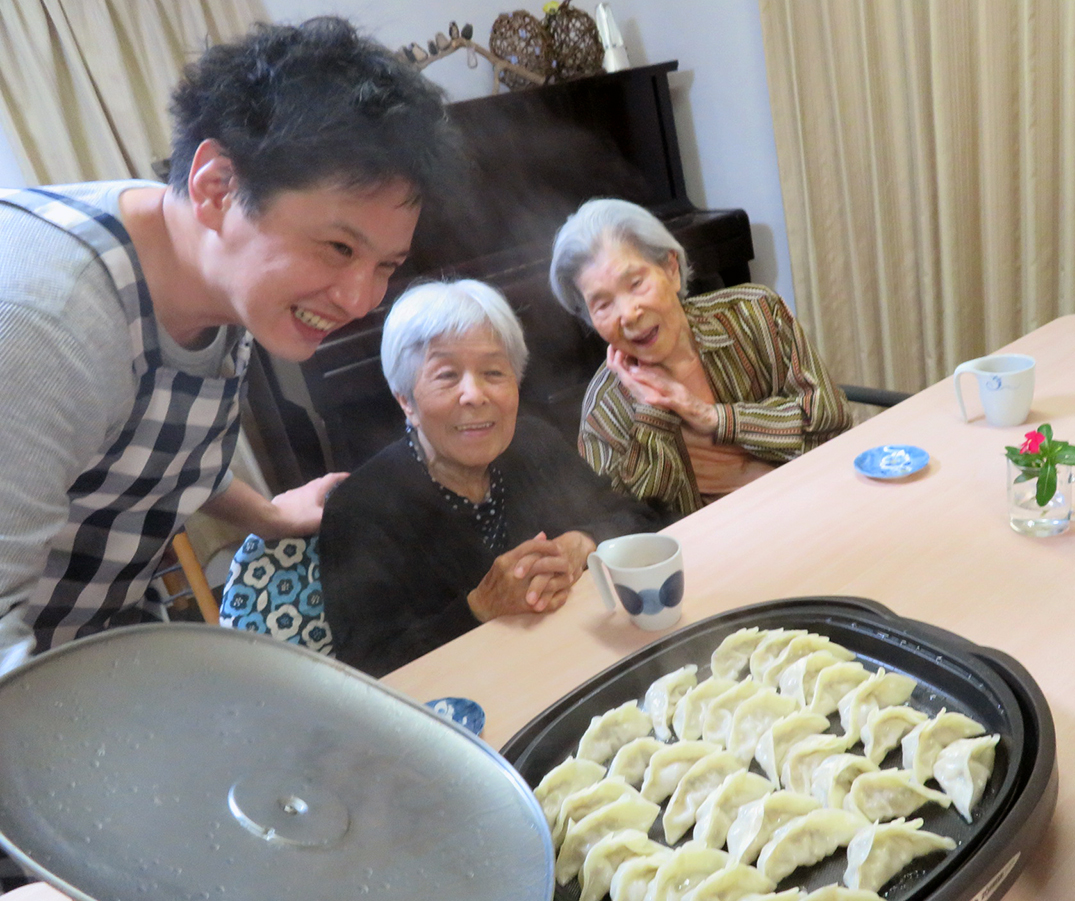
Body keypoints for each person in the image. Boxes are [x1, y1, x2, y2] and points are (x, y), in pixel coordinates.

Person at [0, 17, 458, 675]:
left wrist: (266, 514)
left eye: (386, 264)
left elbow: (157, 443)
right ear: (217, 187)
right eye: (338, 247)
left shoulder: (213, 278)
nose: (362, 299)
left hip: (99, 648)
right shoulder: (47, 327)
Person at [319, 280, 664, 677]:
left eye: (494, 372)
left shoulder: (534, 444)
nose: (475, 394)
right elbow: (367, 668)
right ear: (406, 401)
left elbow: (640, 520)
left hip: (578, 665)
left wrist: (582, 544)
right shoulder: (360, 509)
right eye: (447, 376)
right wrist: (479, 609)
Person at [549, 198, 853, 516]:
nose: (628, 314)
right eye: (602, 304)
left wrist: (712, 417)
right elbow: (629, 527)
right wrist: (653, 413)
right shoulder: (603, 412)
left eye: (636, 283)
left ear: (671, 269)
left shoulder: (755, 313)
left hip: (815, 499)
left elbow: (831, 418)